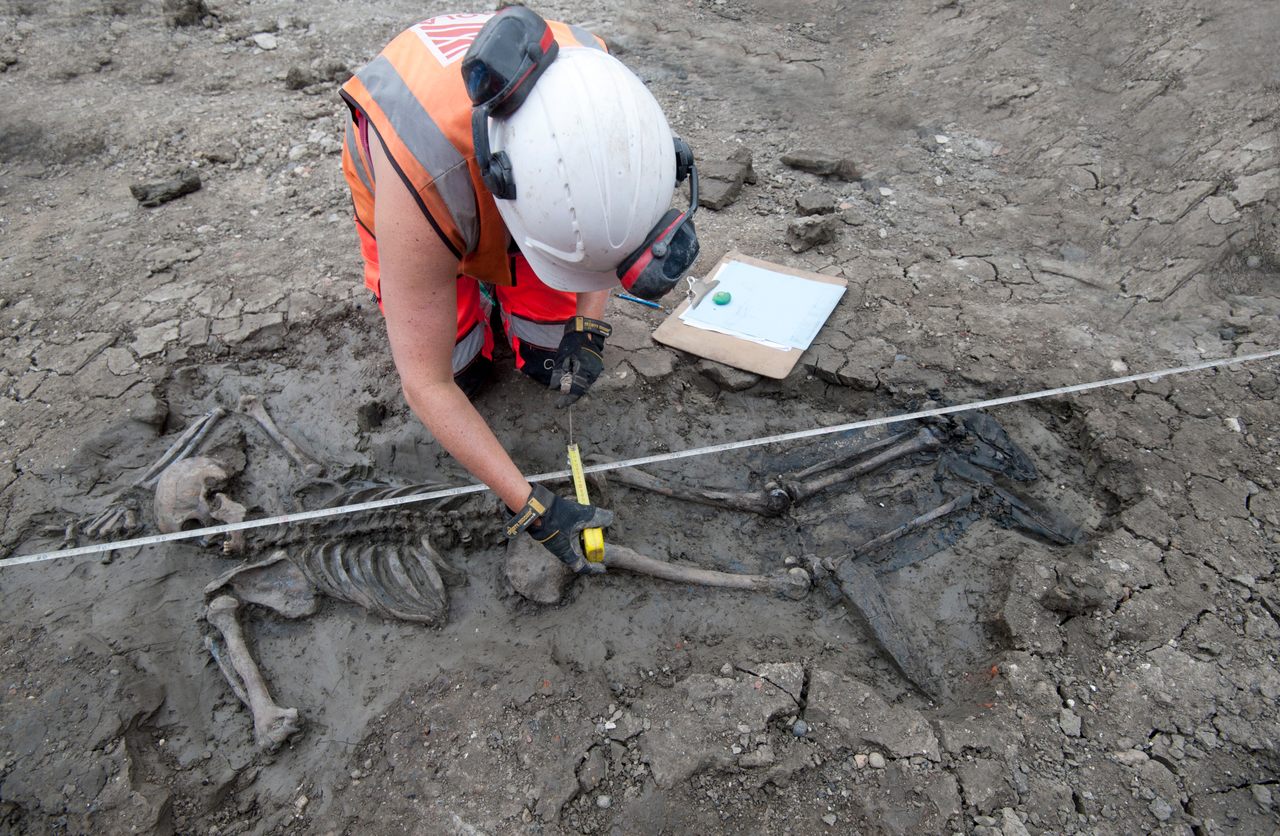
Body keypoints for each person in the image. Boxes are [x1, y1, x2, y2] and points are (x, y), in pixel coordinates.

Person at [339, 9, 699, 574]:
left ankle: (512, 304)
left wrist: (589, 328)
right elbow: (425, 383)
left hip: (529, 193)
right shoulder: (422, 176)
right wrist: (530, 506)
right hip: (418, 178)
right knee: (458, 372)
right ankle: (473, 298)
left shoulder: (607, 100)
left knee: (549, 355)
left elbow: (607, 239)